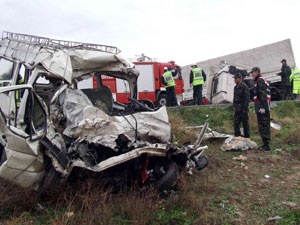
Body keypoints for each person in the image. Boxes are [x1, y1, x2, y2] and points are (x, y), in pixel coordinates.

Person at [250, 67, 271, 151]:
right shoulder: (259, 81)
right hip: (263, 106)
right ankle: (265, 143)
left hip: (263, 107)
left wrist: (262, 107)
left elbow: (262, 94)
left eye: (253, 73)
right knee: (263, 125)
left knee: (263, 125)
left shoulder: (260, 80)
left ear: (257, 72)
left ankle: (266, 145)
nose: (252, 74)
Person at [233, 73, 250, 138]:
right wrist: (234, 107)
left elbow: (247, 98)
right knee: (236, 123)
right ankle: (237, 136)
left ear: (240, 79)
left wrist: (245, 109)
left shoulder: (244, 87)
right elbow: (234, 98)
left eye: (235, 78)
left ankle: (247, 137)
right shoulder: (235, 87)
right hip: (237, 109)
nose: (234, 80)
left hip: (243, 109)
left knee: (245, 124)